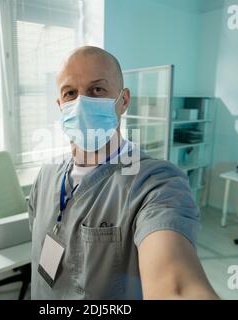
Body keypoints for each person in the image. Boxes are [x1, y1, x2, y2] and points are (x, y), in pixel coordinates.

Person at [28, 46, 218, 299]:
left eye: (97, 90)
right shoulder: (47, 175)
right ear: (60, 104)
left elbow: (176, 286)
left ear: (124, 100)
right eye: (70, 93)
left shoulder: (155, 183)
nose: (82, 103)